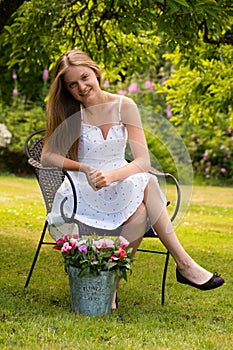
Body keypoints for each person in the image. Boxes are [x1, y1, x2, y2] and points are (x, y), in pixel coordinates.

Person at [41, 49, 224, 309]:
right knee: (146, 185)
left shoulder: (124, 106)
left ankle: (113, 287)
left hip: (122, 181)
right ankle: (184, 265)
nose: (81, 87)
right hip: (84, 190)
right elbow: (48, 155)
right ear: (67, 89)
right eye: (73, 84)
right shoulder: (72, 115)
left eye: (84, 77)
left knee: (142, 195)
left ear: (95, 72)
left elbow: (143, 161)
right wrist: (84, 169)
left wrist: (113, 175)